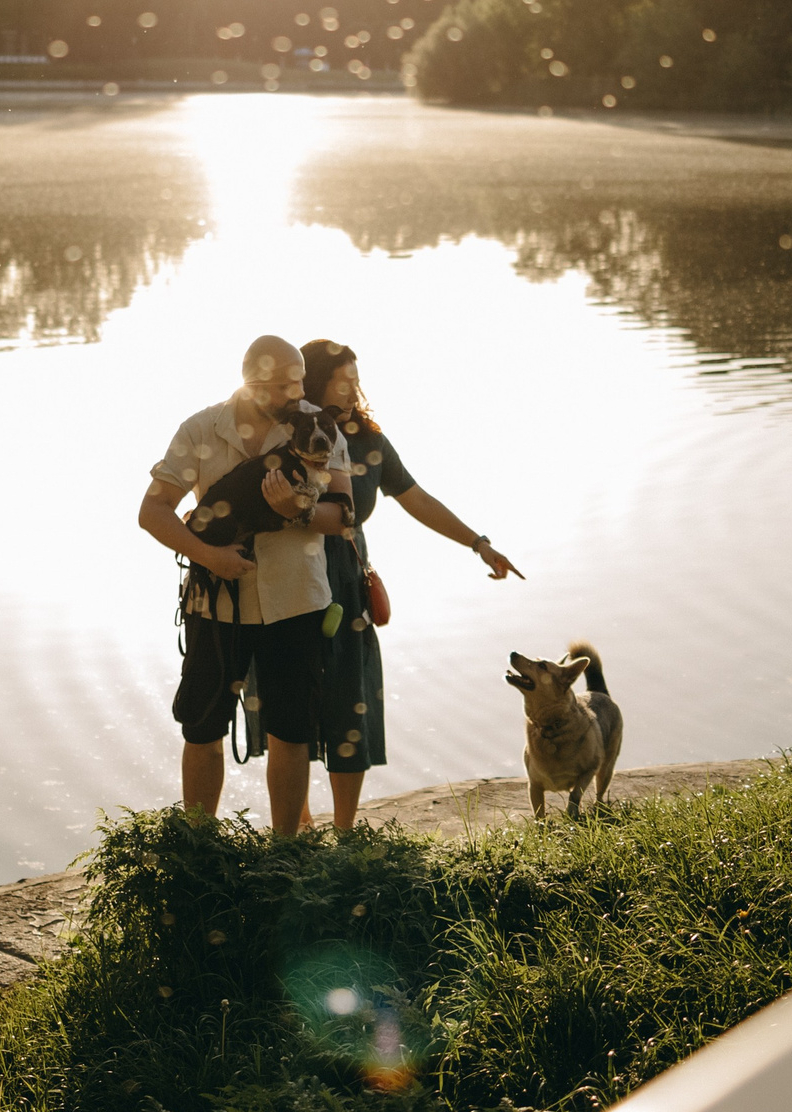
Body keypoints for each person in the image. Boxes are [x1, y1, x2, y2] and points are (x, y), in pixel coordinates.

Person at [248, 337, 525, 829]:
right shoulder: (278, 433)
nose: (355, 389)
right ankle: (299, 825)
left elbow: (417, 499)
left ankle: (346, 831)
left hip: (347, 582)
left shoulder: (369, 442)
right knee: (292, 707)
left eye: (358, 380)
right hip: (287, 581)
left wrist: (478, 543)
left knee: (348, 697)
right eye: (344, 380)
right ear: (314, 383)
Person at [138, 334, 351, 833]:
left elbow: (343, 515)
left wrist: (297, 509)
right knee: (203, 725)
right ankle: (199, 846)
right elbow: (152, 511)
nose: (299, 393)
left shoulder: (316, 426)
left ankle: (286, 851)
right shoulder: (200, 429)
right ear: (253, 385)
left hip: (297, 601)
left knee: (292, 731)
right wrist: (210, 555)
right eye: (285, 384)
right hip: (215, 602)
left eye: (300, 379)